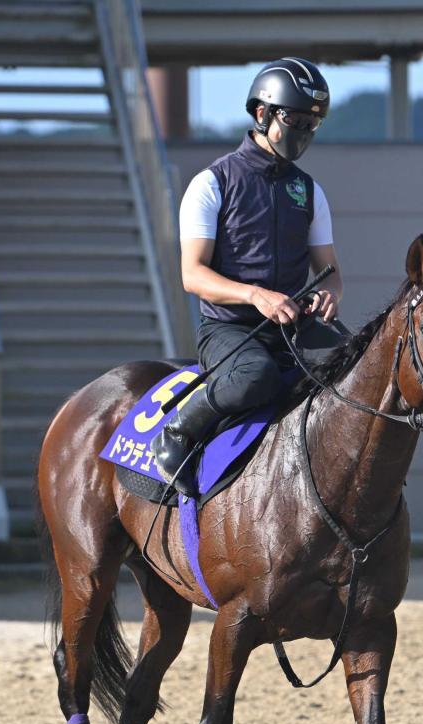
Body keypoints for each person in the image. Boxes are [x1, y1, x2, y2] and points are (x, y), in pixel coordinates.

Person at [151, 56, 344, 496]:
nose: (303, 133)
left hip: (292, 330)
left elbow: (331, 273)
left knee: (352, 373)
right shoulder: (211, 183)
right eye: (294, 120)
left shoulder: (309, 191)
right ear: (262, 113)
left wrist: (330, 294)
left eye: (312, 124)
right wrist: (257, 296)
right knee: (256, 377)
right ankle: (178, 433)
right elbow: (192, 275)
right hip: (228, 331)